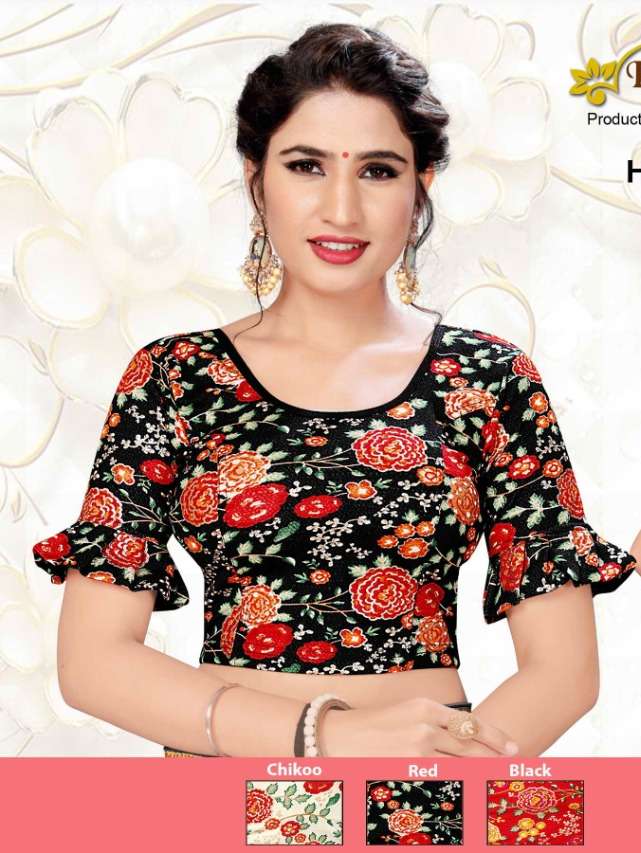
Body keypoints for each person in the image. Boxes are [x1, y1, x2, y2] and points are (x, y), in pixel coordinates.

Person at [32, 23, 640, 759]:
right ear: (256, 177)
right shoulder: (174, 378)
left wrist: (430, 780)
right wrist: (329, 738)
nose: (342, 209)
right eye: (306, 166)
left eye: (378, 171)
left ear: (422, 185)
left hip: (430, 790)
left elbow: (563, 671)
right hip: (228, 790)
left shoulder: (490, 378)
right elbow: (93, 662)